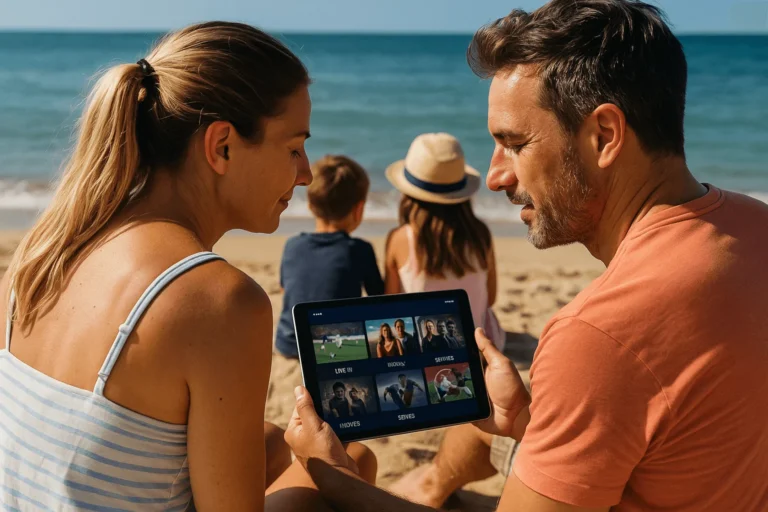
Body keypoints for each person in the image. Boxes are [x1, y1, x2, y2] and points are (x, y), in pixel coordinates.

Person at [284, 1, 768, 511]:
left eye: (514, 143)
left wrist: (338, 478)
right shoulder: (753, 225)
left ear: (604, 135)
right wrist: (529, 424)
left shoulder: (599, 334)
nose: (496, 176)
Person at [0, 21, 378, 512]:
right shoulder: (219, 300)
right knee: (351, 462)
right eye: (293, 147)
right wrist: (326, 475)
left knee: (273, 443)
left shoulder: (48, 247)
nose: (305, 173)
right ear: (221, 145)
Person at [383, 132, 501, 348]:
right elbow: (490, 298)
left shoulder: (400, 239)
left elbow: (390, 305)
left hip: (424, 349)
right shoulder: (480, 234)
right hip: (477, 346)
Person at [275, 155, 384, 358]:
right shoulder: (359, 250)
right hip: (335, 349)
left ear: (309, 204)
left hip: (288, 343)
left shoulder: (292, 246)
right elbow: (379, 299)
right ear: (358, 209)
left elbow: (285, 288)